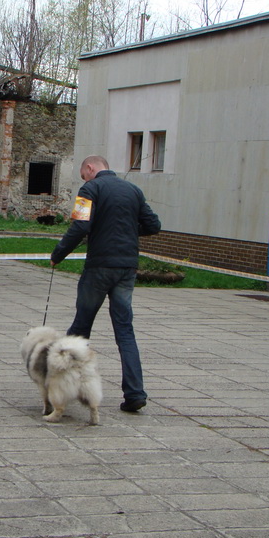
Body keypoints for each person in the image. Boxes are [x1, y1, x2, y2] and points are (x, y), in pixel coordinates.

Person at [50, 155, 161, 413]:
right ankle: (135, 393)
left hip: (99, 267)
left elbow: (80, 225)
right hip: (126, 268)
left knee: (80, 328)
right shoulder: (134, 190)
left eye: (83, 174)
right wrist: (126, 231)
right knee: (125, 331)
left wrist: (58, 254)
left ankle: (61, 389)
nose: (84, 179)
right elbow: (153, 225)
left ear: (90, 169)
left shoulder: (90, 188)